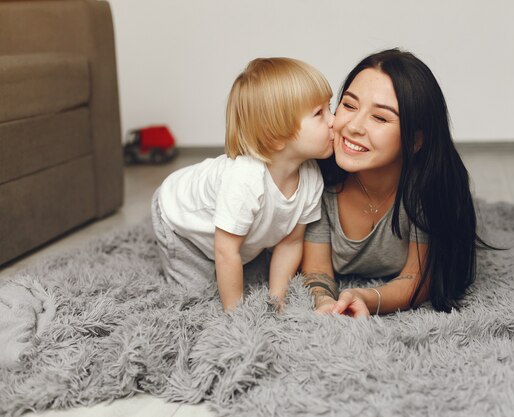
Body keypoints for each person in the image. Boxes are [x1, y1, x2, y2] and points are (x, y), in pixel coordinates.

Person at [302, 48, 492, 318]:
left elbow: (417, 278)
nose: (353, 126)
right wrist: (324, 301)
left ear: (415, 140)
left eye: (379, 117)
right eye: (349, 105)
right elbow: (317, 270)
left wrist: (366, 298)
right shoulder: (316, 178)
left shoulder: (426, 189)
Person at [152, 57, 334, 311]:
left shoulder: (312, 176)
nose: (334, 120)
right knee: (198, 295)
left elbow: (290, 243)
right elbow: (226, 251)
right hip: (177, 216)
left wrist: (277, 298)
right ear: (275, 135)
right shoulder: (246, 179)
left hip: (234, 235)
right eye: (319, 113)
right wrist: (235, 313)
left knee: (252, 277)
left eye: (330, 107)